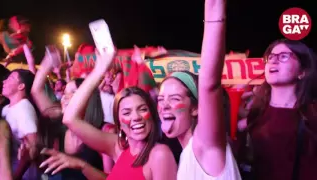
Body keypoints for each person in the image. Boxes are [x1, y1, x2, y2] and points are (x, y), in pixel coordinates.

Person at [55, 49, 177, 179]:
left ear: (152, 114)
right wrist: (100, 68)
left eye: (142, 109)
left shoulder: (159, 154)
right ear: (118, 121)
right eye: (126, 112)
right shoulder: (118, 147)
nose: (135, 117)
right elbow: (69, 118)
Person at [157, 0, 241, 179]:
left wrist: (214, 9)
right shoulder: (186, 153)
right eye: (160, 99)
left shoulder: (203, 145)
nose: (164, 105)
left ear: (196, 108)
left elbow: (209, 84)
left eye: (174, 98)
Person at [238, 39, 317, 180]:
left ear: (302, 72)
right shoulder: (254, 114)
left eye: (284, 56)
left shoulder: (312, 114)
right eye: (271, 57)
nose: (274, 61)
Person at [30, 52, 109, 179]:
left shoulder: (104, 131)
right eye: (64, 92)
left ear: (87, 97)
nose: (65, 97)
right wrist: (48, 61)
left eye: (73, 92)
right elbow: (36, 91)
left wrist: (81, 165)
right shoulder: (59, 122)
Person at [1, 69, 39, 180]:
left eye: (10, 79)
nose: (4, 82)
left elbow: (33, 147)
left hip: (23, 175)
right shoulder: (6, 109)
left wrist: (17, 175)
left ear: (21, 86)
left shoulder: (23, 108)